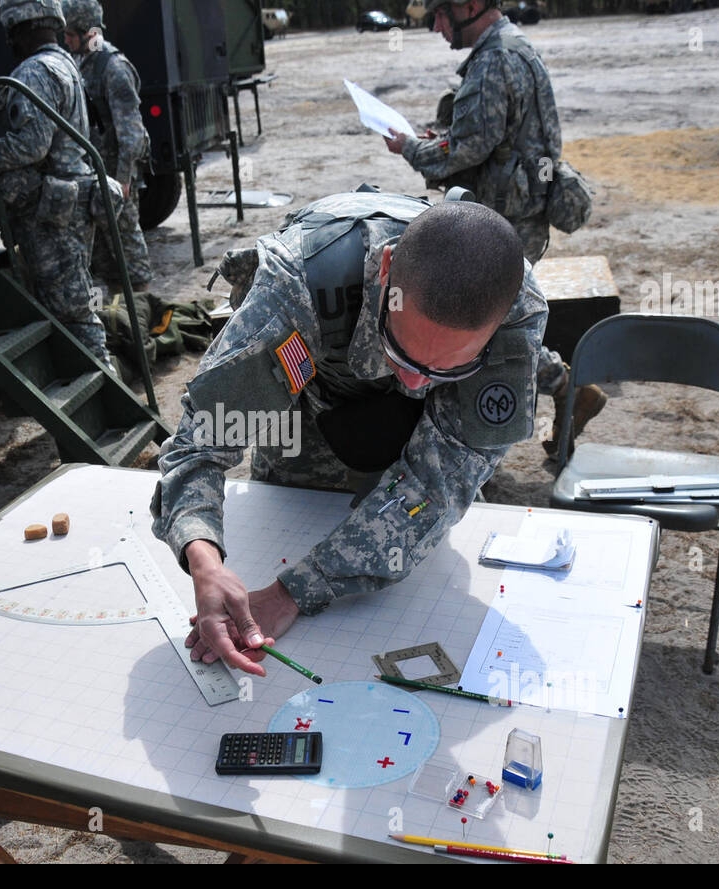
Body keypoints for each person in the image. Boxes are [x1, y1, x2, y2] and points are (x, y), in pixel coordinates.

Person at [151, 191, 543, 676]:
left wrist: (293, 591)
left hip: (417, 434)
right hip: (308, 402)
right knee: (284, 514)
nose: (417, 382)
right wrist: (203, 558)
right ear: (386, 271)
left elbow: (438, 485)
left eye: (447, 368)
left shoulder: (513, 305)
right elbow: (201, 443)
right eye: (405, 353)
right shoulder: (300, 285)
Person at [384, 0, 605, 458]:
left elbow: (468, 149)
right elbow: (493, 137)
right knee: (497, 320)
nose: (438, 27)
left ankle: (540, 401)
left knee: (490, 326)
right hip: (516, 210)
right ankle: (567, 388)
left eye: (440, 15)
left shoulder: (494, 59)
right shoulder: (514, 48)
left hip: (503, 219)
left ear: (469, 6)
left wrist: (409, 148)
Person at [0, 0, 113, 369]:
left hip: (51, 212)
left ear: (18, 29)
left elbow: (30, 146)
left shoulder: (35, 72)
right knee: (72, 302)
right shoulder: (65, 63)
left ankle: (110, 397)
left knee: (73, 311)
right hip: (69, 202)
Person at [60, 0, 155, 293]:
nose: (66, 40)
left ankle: (141, 314)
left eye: (70, 34)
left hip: (115, 176)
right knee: (102, 257)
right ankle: (118, 322)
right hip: (92, 174)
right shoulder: (82, 62)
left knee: (129, 252)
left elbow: (132, 133)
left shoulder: (113, 67)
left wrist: (124, 178)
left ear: (88, 32)